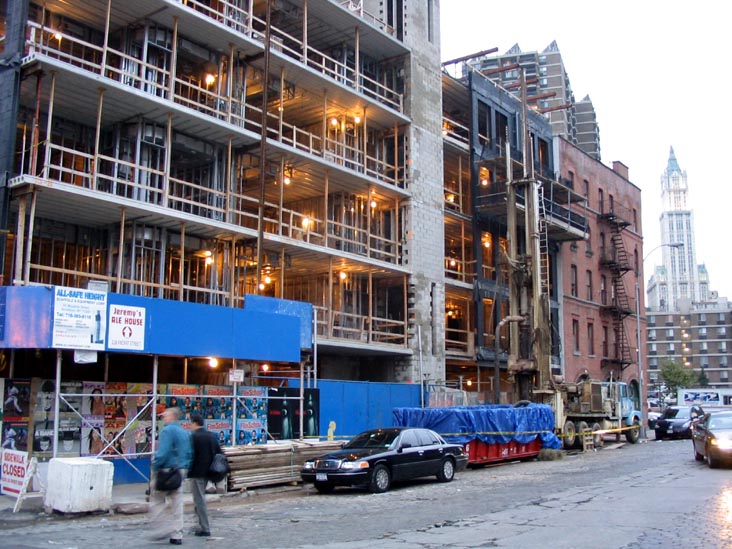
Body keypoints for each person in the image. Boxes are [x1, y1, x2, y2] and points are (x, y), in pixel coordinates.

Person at [149, 406, 192, 545]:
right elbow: (188, 452)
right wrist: (184, 467)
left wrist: (155, 466)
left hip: (166, 469)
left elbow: (163, 451)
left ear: (172, 417)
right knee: (177, 503)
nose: (163, 418)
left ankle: (162, 528)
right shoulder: (184, 432)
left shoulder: (167, 431)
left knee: (157, 500)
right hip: (180, 470)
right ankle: (177, 534)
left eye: (165, 416)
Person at [188, 413, 224, 537]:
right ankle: (199, 524)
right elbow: (219, 454)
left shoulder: (194, 437)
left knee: (199, 500)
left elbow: (190, 455)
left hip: (197, 472)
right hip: (209, 472)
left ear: (194, 423)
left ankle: (204, 527)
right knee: (199, 499)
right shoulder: (211, 436)